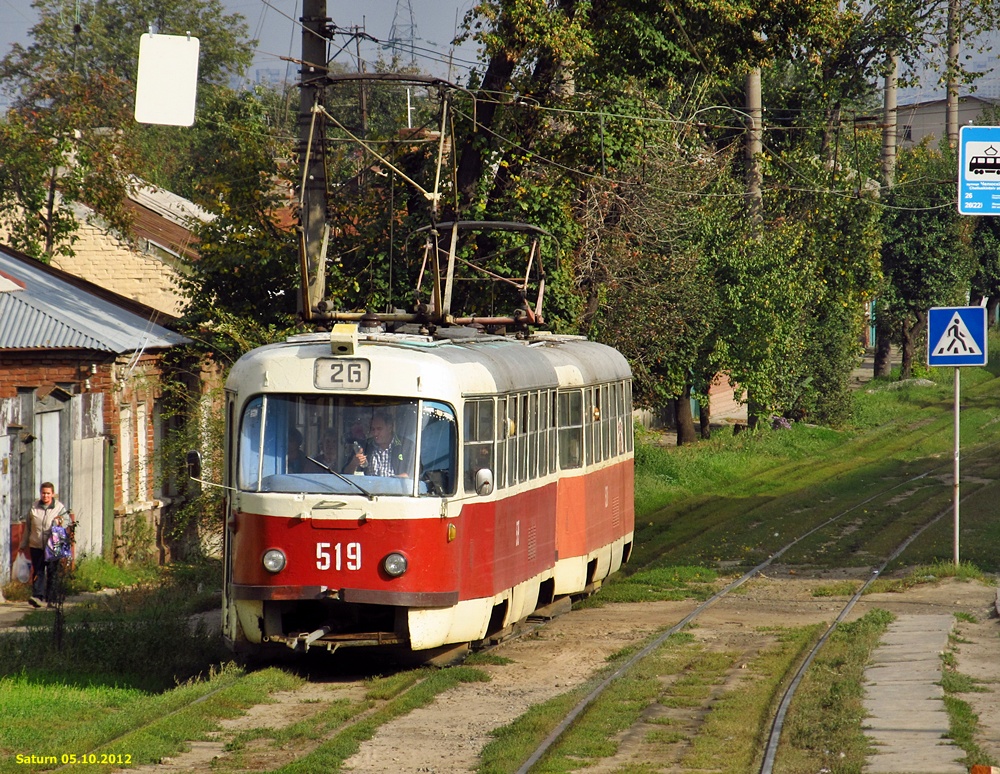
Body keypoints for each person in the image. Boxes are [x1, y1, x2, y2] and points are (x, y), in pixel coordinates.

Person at [20, 482, 72, 608]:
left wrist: (59, 521)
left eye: (48, 493)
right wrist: (23, 543)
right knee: (38, 571)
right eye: (43, 493)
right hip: (36, 544)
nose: (45, 496)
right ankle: (38, 597)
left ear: (52, 494)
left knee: (52, 571)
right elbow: (28, 527)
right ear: (40, 493)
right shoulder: (34, 507)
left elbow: (68, 522)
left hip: (53, 546)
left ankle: (52, 599)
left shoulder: (59, 507)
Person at [343, 411, 412, 477]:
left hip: (396, 485)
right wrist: (354, 463)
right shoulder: (364, 446)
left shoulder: (406, 446)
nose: (375, 433)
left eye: (379, 429)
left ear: (390, 428)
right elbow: (345, 475)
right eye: (373, 429)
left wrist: (402, 477)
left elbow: (414, 473)